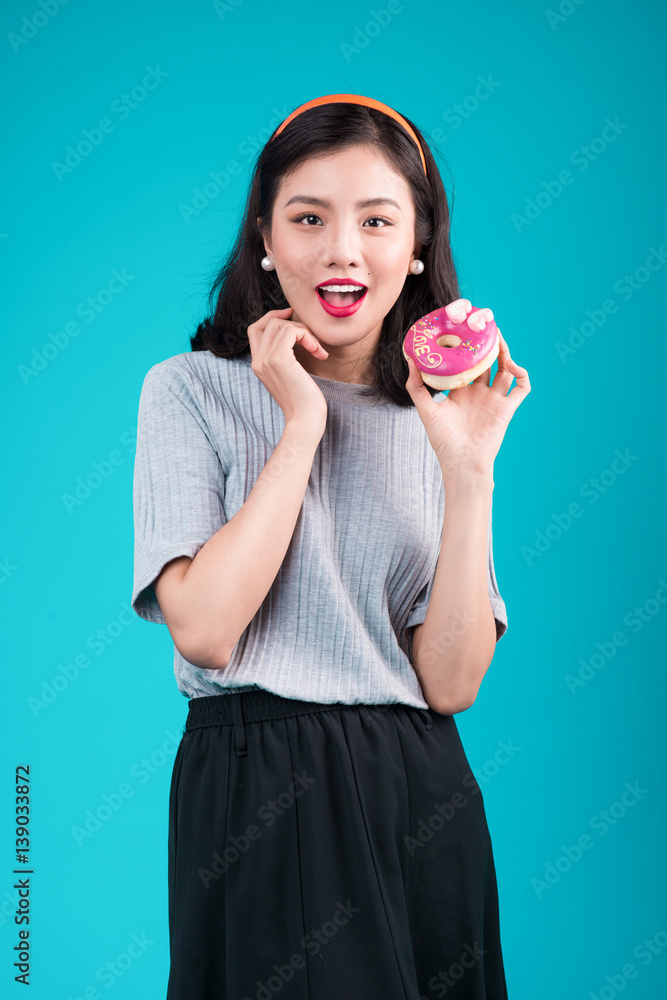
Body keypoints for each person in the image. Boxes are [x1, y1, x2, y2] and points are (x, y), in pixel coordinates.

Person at [131, 93, 530, 1000]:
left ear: (417, 246)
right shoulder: (189, 391)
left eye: (376, 220)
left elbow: (451, 684)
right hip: (262, 780)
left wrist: (468, 474)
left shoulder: (436, 419)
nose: (341, 249)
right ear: (265, 242)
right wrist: (300, 422)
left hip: (423, 786)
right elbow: (203, 629)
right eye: (307, 218)